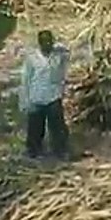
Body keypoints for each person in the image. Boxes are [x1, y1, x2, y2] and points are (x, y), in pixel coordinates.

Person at [18, 30, 71, 160]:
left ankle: (60, 151)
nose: (48, 44)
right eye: (45, 42)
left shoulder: (58, 56)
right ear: (40, 43)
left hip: (53, 95)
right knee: (35, 128)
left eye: (50, 41)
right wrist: (24, 100)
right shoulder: (32, 58)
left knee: (58, 127)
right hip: (36, 96)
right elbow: (26, 79)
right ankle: (34, 152)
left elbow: (68, 54)